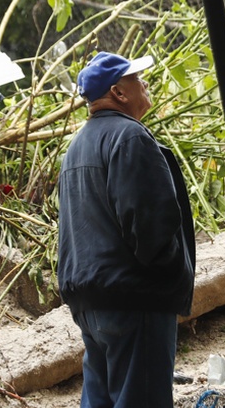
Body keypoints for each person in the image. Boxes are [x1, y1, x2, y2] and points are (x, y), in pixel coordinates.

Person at [57, 51, 196, 408]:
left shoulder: (76, 148)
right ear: (119, 92)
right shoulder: (131, 138)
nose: (144, 83)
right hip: (135, 301)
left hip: (91, 303)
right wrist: (170, 277)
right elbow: (150, 226)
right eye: (136, 78)